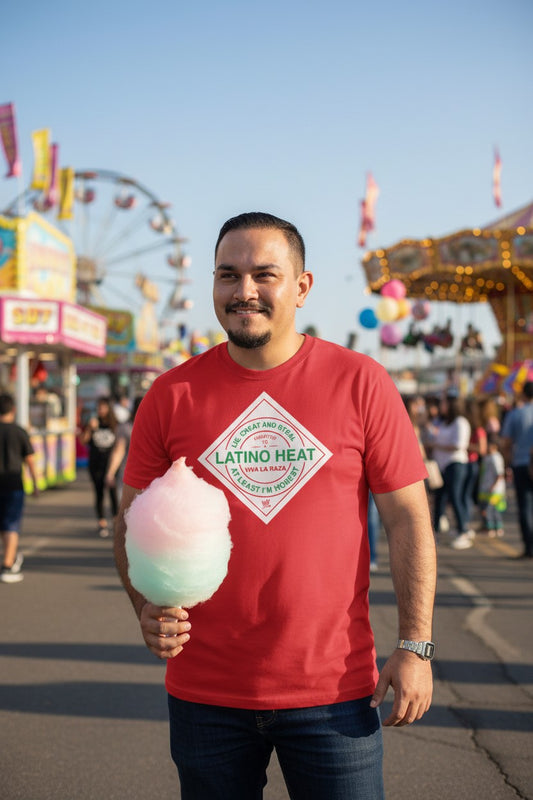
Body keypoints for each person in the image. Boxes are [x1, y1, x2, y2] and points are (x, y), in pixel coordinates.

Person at [114, 212, 437, 799]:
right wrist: (145, 606)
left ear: (302, 286)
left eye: (265, 274)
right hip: (205, 693)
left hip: (334, 694)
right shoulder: (171, 393)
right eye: (227, 275)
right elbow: (131, 519)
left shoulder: (361, 382)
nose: (245, 292)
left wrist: (415, 644)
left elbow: (407, 518)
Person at [0, 393, 39, 583]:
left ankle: (9, 559)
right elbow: (29, 460)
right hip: (14, 484)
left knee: (3, 525)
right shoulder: (19, 432)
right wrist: (36, 484)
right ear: (13, 409)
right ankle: (8, 566)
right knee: (11, 525)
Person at [426, 394, 473, 549]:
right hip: (441, 466)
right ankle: (436, 531)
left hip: (456, 464)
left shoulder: (461, 422)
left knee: (455, 497)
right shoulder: (443, 422)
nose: (442, 406)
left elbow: (459, 445)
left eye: (445, 403)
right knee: (439, 498)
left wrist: (436, 446)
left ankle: (463, 530)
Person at [501, 381, 533, 559]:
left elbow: (506, 442)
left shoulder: (516, 414)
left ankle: (529, 547)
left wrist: (507, 463)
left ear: (523, 395)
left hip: (521, 463)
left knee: (525, 506)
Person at [80, 397, 118, 537]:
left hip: (111, 464)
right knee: (99, 492)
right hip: (95, 464)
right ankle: (101, 522)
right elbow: (83, 441)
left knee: (114, 493)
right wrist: (90, 428)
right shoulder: (93, 422)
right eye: (98, 407)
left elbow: (119, 444)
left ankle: (115, 520)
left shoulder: (115, 424)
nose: (100, 410)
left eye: (103, 407)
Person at [478, 433, 506, 538]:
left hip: (494, 490)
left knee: (491, 509)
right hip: (486, 489)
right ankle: (490, 526)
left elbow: (499, 474)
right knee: (487, 508)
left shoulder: (496, 458)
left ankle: (495, 527)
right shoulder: (488, 457)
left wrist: (494, 486)